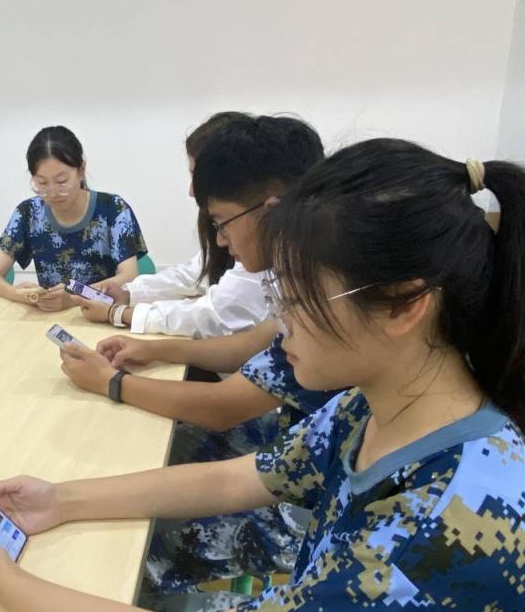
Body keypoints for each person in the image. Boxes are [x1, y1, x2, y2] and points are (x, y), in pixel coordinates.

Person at [0, 138, 525, 612]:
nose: (279, 322)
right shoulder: (378, 405)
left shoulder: (427, 540)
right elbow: (234, 479)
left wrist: (2, 581)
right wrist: (61, 499)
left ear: (405, 304)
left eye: (297, 298)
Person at [61, 117, 335, 461]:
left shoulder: (322, 299)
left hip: (297, 459)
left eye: (221, 222)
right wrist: (155, 349)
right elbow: (254, 342)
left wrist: (111, 381)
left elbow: (224, 406)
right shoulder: (301, 275)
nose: (219, 239)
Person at [84, 111, 269, 338]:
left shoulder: (259, 245)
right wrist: (129, 294)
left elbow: (215, 314)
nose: (192, 191)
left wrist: (121, 313)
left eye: (196, 177)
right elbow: (194, 273)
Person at [0, 126, 148, 312]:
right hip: (50, 317)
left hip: (101, 315)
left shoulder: (114, 209)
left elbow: (129, 276)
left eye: (61, 181)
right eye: (42, 183)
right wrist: (23, 295)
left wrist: (74, 297)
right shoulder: (28, 213)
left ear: (81, 170)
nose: (52, 193)